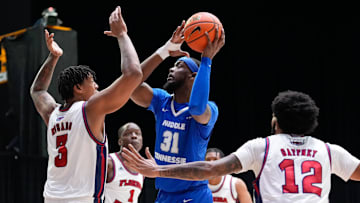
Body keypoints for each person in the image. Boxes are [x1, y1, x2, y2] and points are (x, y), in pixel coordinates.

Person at [122, 90, 360, 203]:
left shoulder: (263, 147)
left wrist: (159, 171)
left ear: (276, 120)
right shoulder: (328, 150)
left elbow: (209, 170)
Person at [30, 6, 142, 203]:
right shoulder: (90, 108)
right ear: (78, 88)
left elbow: (37, 90)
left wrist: (53, 56)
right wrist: (122, 35)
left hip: (51, 198)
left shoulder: (53, 113)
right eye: (93, 82)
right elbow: (133, 74)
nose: (97, 86)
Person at [129, 20, 225, 202]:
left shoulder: (209, 109)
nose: (171, 69)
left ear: (193, 76)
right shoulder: (161, 100)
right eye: (172, 65)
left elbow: (196, 107)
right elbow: (131, 84)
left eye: (179, 66)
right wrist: (165, 51)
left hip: (194, 194)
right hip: (164, 194)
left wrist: (207, 60)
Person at [104, 122, 144, 203]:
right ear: (120, 141)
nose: (134, 136)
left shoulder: (143, 168)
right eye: (128, 133)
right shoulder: (109, 162)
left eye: (137, 133)